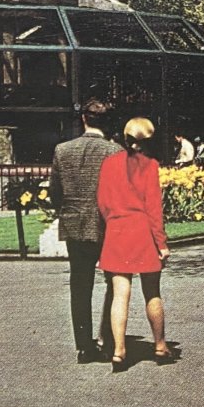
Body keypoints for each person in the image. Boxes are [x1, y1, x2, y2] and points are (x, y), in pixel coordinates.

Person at [50, 99, 123, 364]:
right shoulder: (115, 152)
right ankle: (108, 339)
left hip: (74, 223)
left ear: (84, 119)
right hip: (107, 224)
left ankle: (83, 345)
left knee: (80, 285)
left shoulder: (62, 150)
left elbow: (54, 193)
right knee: (114, 283)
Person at [97, 116, 171, 370]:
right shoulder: (150, 166)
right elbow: (154, 210)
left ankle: (119, 350)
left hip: (117, 231)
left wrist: (114, 221)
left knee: (120, 294)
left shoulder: (108, 164)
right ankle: (160, 345)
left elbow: (103, 203)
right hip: (143, 233)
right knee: (152, 292)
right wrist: (161, 243)